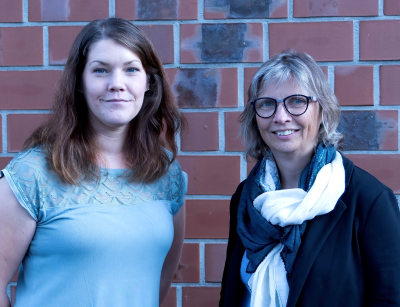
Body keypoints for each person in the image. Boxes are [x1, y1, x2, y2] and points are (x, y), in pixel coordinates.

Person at [0, 18, 187, 307]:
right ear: (79, 82)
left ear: (149, 82)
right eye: (101, 70)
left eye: (131, 70)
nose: (117, 85)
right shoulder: (31, 174)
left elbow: (161, 278)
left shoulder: (165, 172)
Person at [219, 50, 400, 307]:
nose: (281, 117)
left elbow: (389, 299)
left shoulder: (368, 200)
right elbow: (232, 294)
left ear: (322, 110)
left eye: (296, 101)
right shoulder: (247, 198)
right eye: (267, 104)